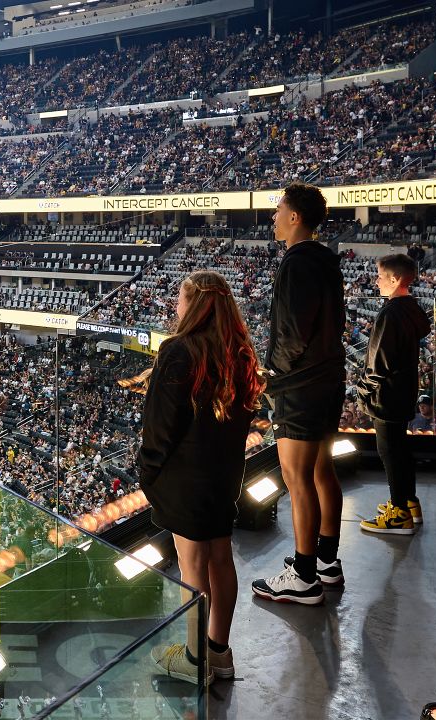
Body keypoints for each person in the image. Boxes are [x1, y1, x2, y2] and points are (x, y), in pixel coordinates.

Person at [141, 270, 262, 683]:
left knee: (192, 571)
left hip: (184, 479)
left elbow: (159, 426)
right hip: (224, 475)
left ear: (193, 306)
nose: (176, 308)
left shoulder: (179, 351)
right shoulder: (241, 353)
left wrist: (148, 472)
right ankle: (218, 652)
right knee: (220, 561)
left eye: (180, 300)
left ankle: (195, 663)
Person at [252, 183, 346, 606]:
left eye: (278, 210)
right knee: (323, 470)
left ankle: (303, 575)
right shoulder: (326, 259)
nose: (273, 217)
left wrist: (273, 375)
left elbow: (293, 333)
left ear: (294, 218)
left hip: (301, 387)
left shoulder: (296, 263)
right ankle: (327, 560)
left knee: (297, 478)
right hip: (328, 379)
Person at [357, 253, 431, 535]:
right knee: (400, 449)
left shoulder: (391, 312)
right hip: (404, 390)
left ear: (395, 278)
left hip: (387, 395)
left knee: (389, 451)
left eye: (379, 275)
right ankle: (408, 501)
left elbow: (379, 363)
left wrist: (363, 391)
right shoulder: (411, 307)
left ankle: (399, 514)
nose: (376, 281)